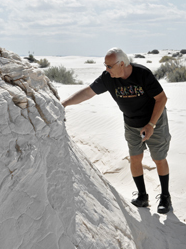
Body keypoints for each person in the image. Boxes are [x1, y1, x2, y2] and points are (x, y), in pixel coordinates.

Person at [61, 48, 172, 214]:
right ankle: (142, 196)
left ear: (122, 64)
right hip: (131, 123)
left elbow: (161, 98)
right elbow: (87, 93)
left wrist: (151, 125)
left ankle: (165, 197)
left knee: (159, 159)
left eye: (109, 66)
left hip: (154, 121)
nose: (106, 69)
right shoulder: (108, 78)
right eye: (105, 66)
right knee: (135, 158)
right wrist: (63, 104)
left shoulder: (142, 74)